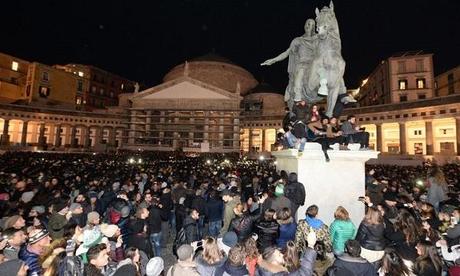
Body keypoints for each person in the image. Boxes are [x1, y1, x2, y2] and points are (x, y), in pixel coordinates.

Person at [261, 19, 318, 110]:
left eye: (311, 24)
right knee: (299, 76)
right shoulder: (298, 40)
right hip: (302, 64)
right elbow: (287, 52)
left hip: (314, 65)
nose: (308, 26)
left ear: (313, 27)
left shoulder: (318, 40)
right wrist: (273, 60)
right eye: (307, 23)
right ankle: (297, 97)